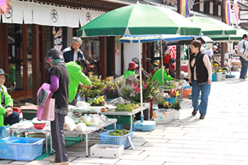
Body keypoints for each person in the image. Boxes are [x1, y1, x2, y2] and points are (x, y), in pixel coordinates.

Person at [45, 48, 69, 164]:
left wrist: (44, 88)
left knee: (57, 132)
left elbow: (54, 86)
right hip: (63, 103)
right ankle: (60, 157)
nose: (48, 62)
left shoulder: (55, 69)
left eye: (48, 60)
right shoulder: (64, 68)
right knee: (57, 131)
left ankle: (63, 159)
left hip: (57, 104)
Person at [188, 40, 212, 120]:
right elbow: (189, 67)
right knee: (194, 97)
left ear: (197, 48)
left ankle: (202, 113)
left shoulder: (204, 56)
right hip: (195, 80)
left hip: (204, 80)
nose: (191, 48)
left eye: (192, 47)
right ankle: (195, 108)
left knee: (204, 97)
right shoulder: (191, 56)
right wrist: (190, 77)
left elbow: (209, 68)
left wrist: (210, 78)